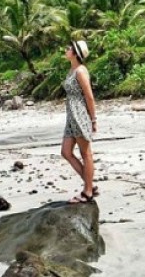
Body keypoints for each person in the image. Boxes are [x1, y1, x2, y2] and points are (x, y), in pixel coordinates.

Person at [61, 40, 98, 203]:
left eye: (69, 48)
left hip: (80, 114)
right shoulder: (72, 70)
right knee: (66, 152)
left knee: (86, 153)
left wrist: (93, 119)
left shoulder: (81, 71)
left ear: (75, 53)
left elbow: (89, 96)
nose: (66, 49)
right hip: (71, 116)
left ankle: (88, 191)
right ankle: (90, 184)